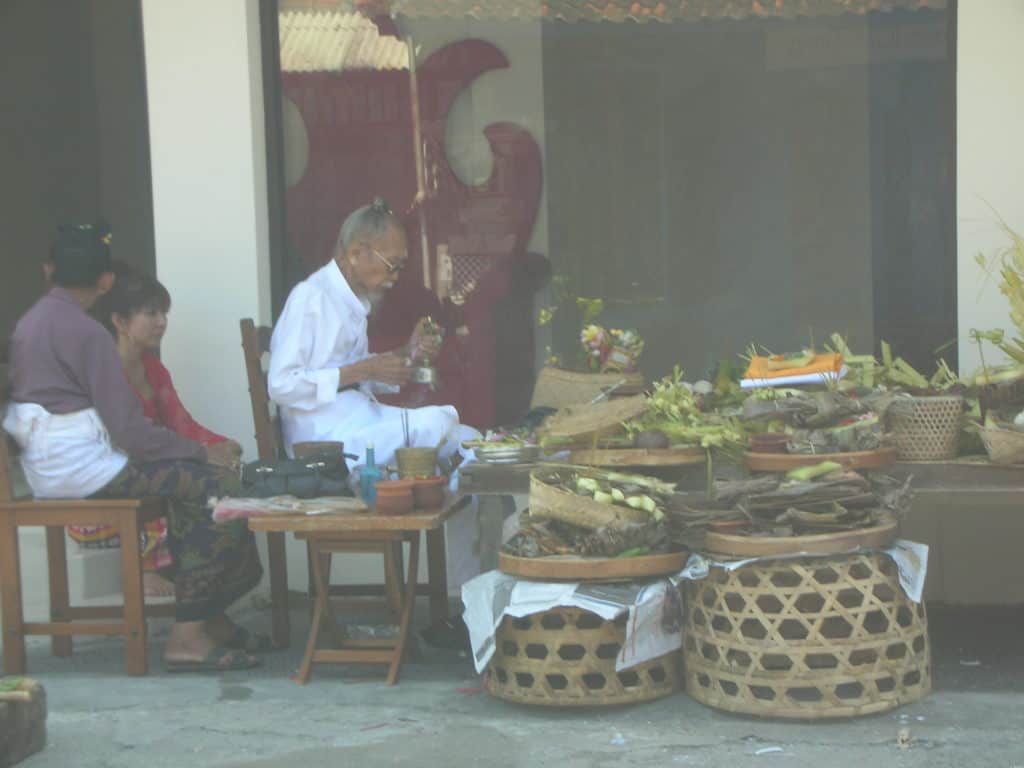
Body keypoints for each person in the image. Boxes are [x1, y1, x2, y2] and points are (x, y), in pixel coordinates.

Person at [3, 221, 264, 672]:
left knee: (199, 482)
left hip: (45, 470)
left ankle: (207, 619)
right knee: (214, 488)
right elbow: (131, 434)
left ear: (49, 270)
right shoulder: (88, 335)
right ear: (106, 282)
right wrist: (200, 452)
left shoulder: (28, 325)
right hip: (86, 471)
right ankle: (187, 637)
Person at [64, 264, 242, 598]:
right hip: (97, 490)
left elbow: (182, 425)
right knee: (192, 481)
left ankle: (205, 594)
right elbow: (124, 442)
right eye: (151, 313)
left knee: (222, 477)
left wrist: (224, 446)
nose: (161, 321)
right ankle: (173, 582)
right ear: (119, 321)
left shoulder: (153, 368)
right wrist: (202, 454)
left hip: (144, 475)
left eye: (163, 313)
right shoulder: (100, 370)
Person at [268, 198, 475, 470]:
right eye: (392, 265)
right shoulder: (312, 298)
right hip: (323, 437)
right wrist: (365, 369)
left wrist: (408, 352)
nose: (397, 276)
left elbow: (358, 374)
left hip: (358, 420)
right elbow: (281, 385)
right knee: (439, 425)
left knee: (470, 438)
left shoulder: (350, 300)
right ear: (355, 253)